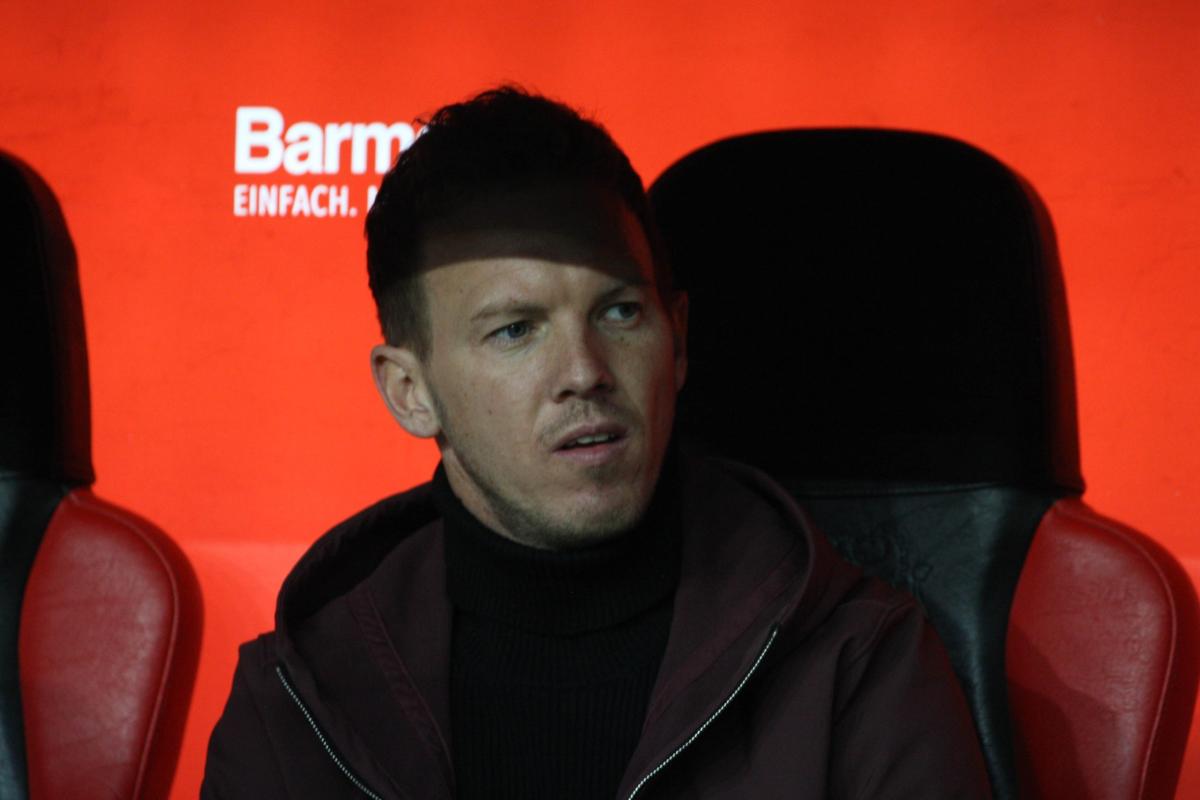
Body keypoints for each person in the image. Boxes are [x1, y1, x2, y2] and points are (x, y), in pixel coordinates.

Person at [202, 87, 991, 799]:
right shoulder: (297, 703)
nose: (584, 372)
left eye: (620, 313)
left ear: (676, 341)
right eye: (516, 330)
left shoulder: (859, 659)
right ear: (410, 392)